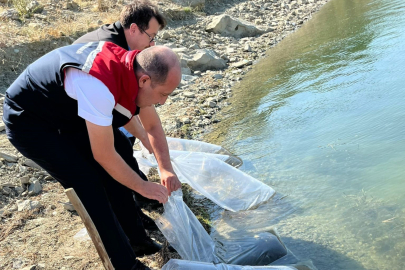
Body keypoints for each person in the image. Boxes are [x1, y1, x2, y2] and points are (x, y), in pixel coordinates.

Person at [3, 42, 181, 270]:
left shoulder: (132, 70)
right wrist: (142, 186)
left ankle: (138, 241)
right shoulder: (99, 84)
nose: (163, 101)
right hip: (30, 120)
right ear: (145, 81)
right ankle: (125, 265)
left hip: (66, 110)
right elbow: (104, 155)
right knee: (88, 182)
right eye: (163, 94)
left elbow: (152, 126)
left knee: (122, 150)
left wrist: (165, 167)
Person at [74, 0, 175, 210]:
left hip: (92, 102)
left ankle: (136, 196)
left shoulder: (129, 50)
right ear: (134, 29)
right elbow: (123, 110)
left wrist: (164, 165)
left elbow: (145, 114)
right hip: (74, 108)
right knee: (115, 150)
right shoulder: (112, 54)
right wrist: (143, 137)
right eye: (151, 37)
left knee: (123, 146)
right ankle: (131, 197)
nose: (152, 44)